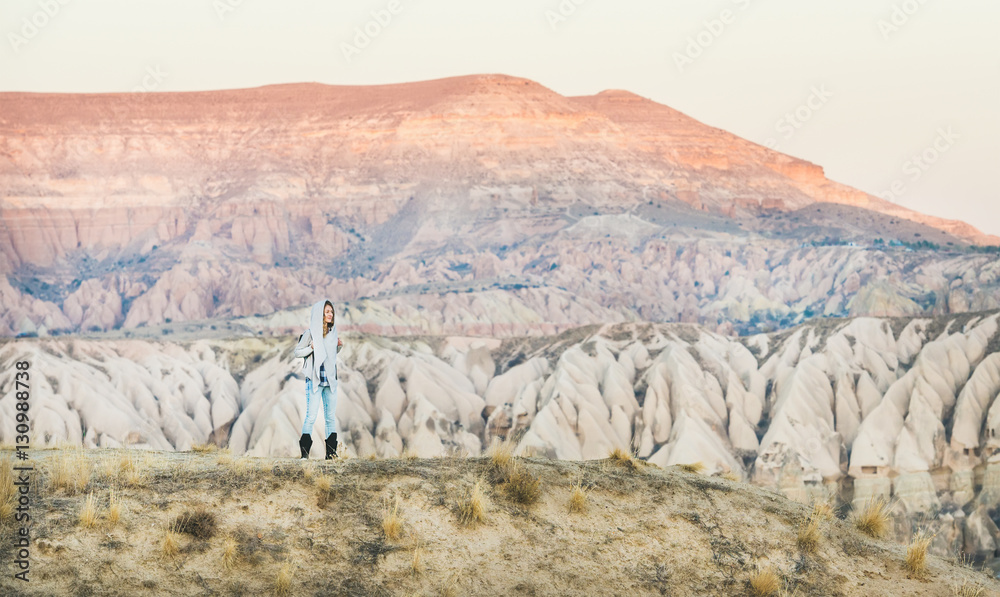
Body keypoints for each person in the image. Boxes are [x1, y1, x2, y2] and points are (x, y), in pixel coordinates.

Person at [293, 299, 343, 459]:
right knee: (311, 416)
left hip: (330, 381)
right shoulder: (310, 334)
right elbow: (297, 352)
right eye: (327, 312)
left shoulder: (332, 333)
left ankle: (331, 455)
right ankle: (304, 455)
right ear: (319, 314)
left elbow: (330, 356)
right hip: (314, 381)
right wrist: (311, 348)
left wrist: (338, 347)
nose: (330, 314)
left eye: (331, 312)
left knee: (330, 417)